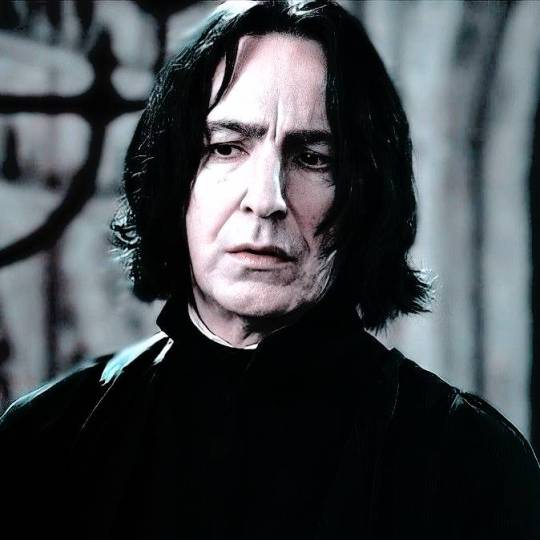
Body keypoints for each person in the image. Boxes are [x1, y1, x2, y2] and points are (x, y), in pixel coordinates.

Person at [1, 1, 539, 538]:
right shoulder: (45, 440)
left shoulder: (467, 463)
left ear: (367, 196)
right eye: (226, 148)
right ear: (174, 177)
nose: (266, 199)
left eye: (313, 158)